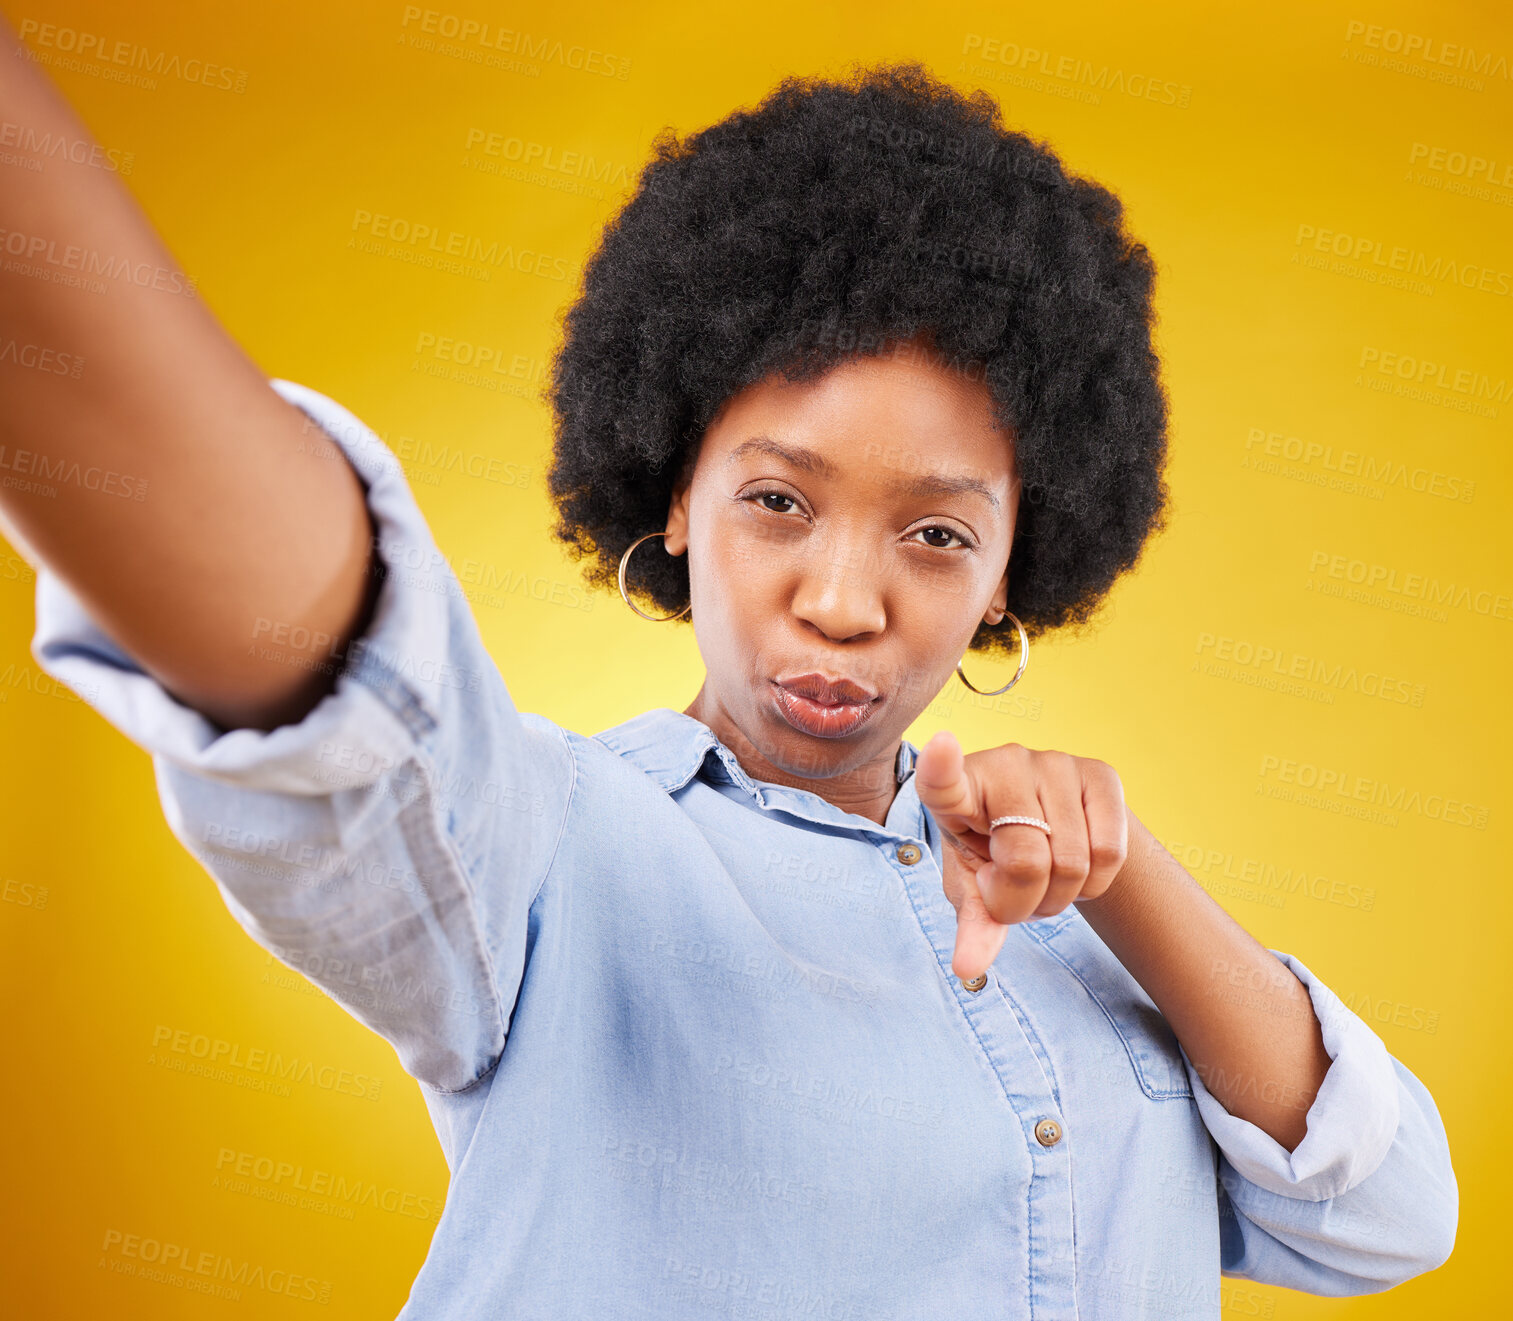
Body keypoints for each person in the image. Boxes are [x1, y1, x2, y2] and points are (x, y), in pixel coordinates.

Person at [0, 19, 1456, 1318]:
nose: (838, 600)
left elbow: (1385, 1219)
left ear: (1015, 563)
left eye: (936, 532)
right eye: (776, 500)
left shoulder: (1086, 935)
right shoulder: (557, 850)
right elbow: (337, 679)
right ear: (677, 495)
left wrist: (1119, 869)